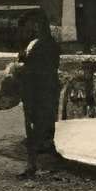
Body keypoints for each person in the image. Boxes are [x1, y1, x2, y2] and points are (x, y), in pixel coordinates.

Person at [17, 17, 64, 177]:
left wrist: (24, 66)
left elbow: (43, 66)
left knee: (40, 126)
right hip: (35, 90)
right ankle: (38, 163)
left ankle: (38, 164)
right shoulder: (35, 44)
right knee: (36, 126)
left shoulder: (45, 45)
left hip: (42, 90)